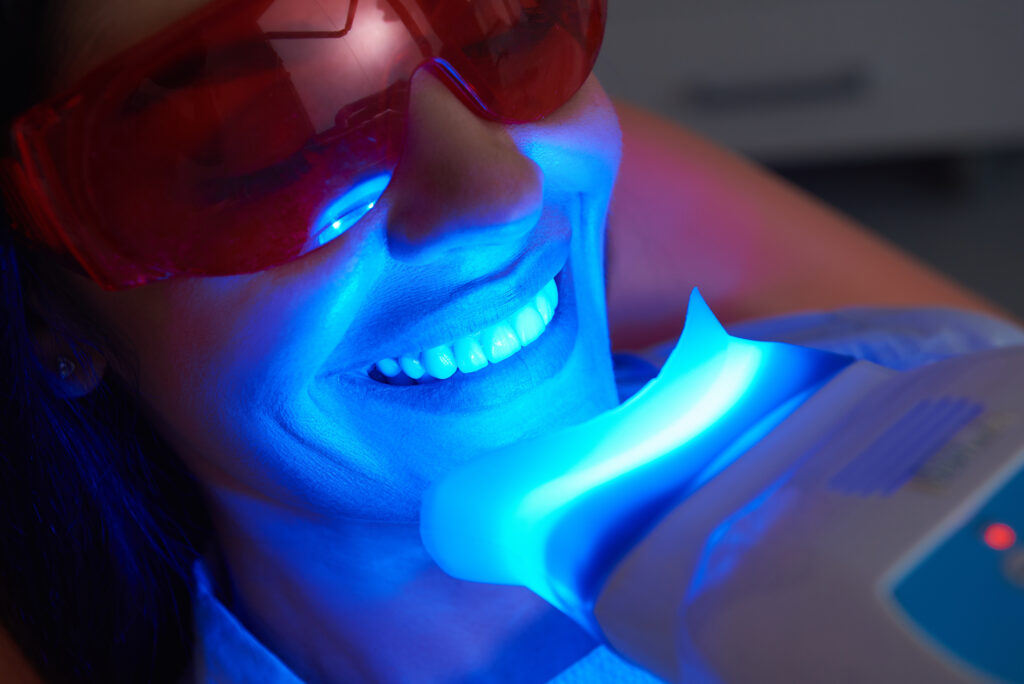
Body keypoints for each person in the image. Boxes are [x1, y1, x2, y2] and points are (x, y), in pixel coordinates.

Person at [1, 1, 1020, 682]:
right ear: (48, 313)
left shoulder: (933, 376)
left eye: (505, 27)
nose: (498, 190)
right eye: (263, 147)